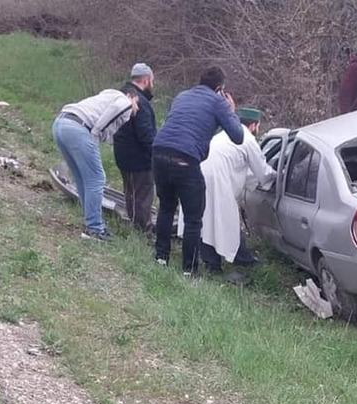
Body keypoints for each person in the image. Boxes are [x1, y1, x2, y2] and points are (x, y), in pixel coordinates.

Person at [151, 66, 245, 275]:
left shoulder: (182, 95)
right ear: (219, 88)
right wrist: (231, 111)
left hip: (159, 151)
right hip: (185, 158)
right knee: (193, 218)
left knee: (166, 207)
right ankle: (189, 270)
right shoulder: (219, 102)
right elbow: (238, 136)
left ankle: (161, 257)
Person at [178, 107, 276, 274]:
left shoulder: (222, 135)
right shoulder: (247, 138)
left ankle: (214, 262)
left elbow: (243, 169)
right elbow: (262, 171)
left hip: (197, 173)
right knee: (224, 220)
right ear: (254, 125)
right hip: (217, 181)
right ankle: (235, 260)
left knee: (204, 221)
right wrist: (276, 176)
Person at [53, 88, 139, 241]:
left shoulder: (108, 95)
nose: (137, 108)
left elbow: (109, 132)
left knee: (82, 178)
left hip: (61, 124)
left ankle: (90, 222)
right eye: (137, 103)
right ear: (130, 96)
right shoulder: (124, 101)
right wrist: (95, 134)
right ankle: (94, 229)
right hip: (78, 128)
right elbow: (118, 107)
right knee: (97, 179)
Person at [113, 63, 157, 232]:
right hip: (138, 159)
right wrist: (156, 155)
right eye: (152, 80)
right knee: (142, 196)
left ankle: (135, 226)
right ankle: (142, 231)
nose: (152, 84)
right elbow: (146, 135)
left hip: (123, 154)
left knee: (131, 193)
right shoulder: (140, 102)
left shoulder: (122, 94)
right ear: (146, 80)